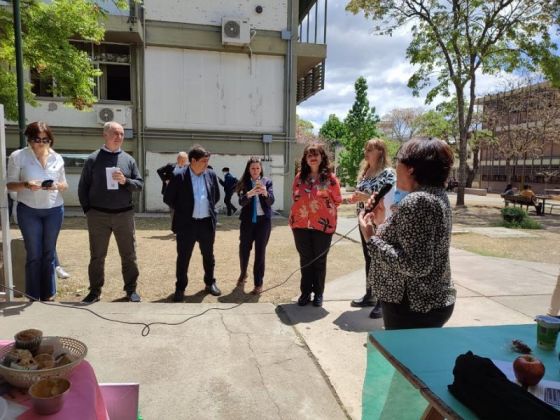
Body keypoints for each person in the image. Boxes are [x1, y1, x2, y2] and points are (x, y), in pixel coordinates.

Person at [358, 138, 456, 330]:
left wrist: (371, 236)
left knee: (403, 359)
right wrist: (380, 223)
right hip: (423, 303)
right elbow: (412, 241)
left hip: (413, 306)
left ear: (410, 168)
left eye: (398, 162)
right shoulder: (435, 195)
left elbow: (416, 264)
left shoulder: (419, 201)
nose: (396, 168)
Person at [78, 122, 143, 303]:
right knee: (97, 256)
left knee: (129, 255)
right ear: (105, 135)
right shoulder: (92, 159)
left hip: (124, 214)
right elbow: (83, 187)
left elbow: (139, 185)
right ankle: (95, 291)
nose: (119, 137)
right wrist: (88, 210)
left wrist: (125, 181)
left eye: (121, 134)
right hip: (98, 215)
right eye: (115, 133)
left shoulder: (129, 160)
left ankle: (131, 290)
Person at [7, 121, 68, 301]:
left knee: (49, 253)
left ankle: (48, 294)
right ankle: (33, 296)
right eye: (37, 139)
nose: (41, 143)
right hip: (29, 210)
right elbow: (9, 184)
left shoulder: (57, 158)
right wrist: (27, 185)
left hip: (54, 210)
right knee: (34, 254)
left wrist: (56, 185)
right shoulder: (18, 156)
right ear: (29, 139)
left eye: (46, 139)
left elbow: (65, 184)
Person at [164, 145, 222, 302]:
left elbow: (215, 196)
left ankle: (210, 283)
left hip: (206, 224)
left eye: (207, 160)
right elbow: (168, 198)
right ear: (193, 160)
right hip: (186, 225)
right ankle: (180, 288)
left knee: (209, 256)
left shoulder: (210, 174)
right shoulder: (179, 176)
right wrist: (184, 210)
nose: (206, 163)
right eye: (203, 161)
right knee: (183, 257)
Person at [289, 142, 342, 307]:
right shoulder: (299, 177)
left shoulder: (330, 179)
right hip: (300, 224)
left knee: (319, 260)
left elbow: (338, 200)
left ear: (322, 157)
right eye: (309, 155)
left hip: (323, 225)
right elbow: (295, 197)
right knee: (305, 260)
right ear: (305, 158)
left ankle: (318, 293)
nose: (312, 158)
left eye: (316, 154)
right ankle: (305, 293)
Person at [348, 138, 396, 319]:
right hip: (364, 222)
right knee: (369, 258)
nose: (366, 152)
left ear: (381, 152)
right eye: (366, 149)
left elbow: (387, 196)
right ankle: (370, 294)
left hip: (380, 222)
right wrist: (356, 198)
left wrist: (364, 197)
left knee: (381, 259)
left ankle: (382, 302)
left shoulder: (388, 173)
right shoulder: (366, 172)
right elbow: (362, 195)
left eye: (370, 149)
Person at [236, 157, 275, 295]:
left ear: (261, 169)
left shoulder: (267, 182)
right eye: (253, 168)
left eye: (258, 168)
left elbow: (271, 201)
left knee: (260, 253)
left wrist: (265, 193)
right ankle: (243, 273)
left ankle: (258, 283)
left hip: (263, 222)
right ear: (248, 169)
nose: (255, 171)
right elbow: (241, 202)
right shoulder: (243, 183)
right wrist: (250, 193)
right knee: (244, 250)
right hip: (247, 222)